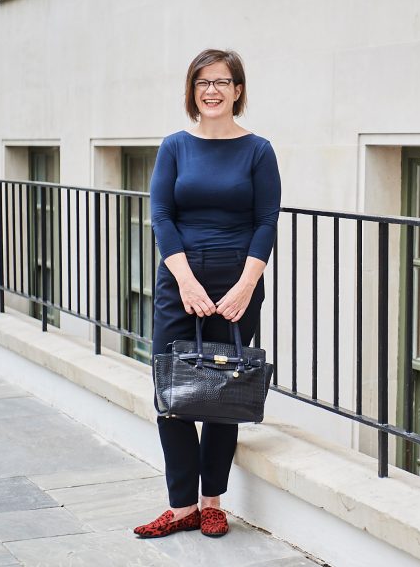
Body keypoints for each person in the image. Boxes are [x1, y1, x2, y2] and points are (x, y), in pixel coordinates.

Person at [134, 49, 281, 539]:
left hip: (237, 289)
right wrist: (186, 282)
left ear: (238, 90)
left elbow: (266, 222)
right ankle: (180, 507)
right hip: (180, 286)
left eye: (222, 81)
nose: (212, 90)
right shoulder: (175, 146)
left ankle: (212, 502)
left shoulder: (259, 150)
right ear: (192, 90)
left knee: (225, 391)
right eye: (202, 82)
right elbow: (162, 218)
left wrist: (245, 286)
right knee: (171, 392)